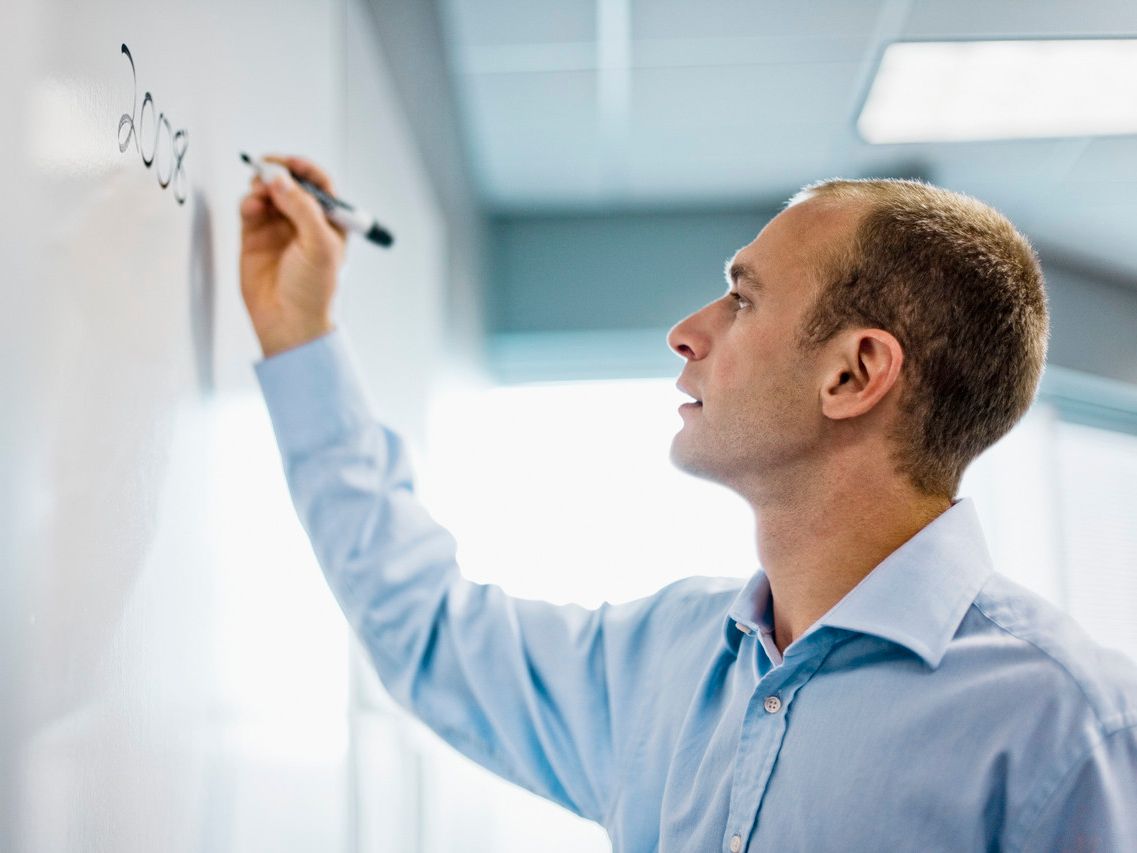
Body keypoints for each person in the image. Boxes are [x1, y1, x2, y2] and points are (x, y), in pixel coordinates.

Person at [239, 155, 1137, 852]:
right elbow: (426, 626)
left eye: (741, 299)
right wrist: (300, 338)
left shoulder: (1066, 724)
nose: (686, 331)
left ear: (853, 372)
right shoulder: (662, 660)